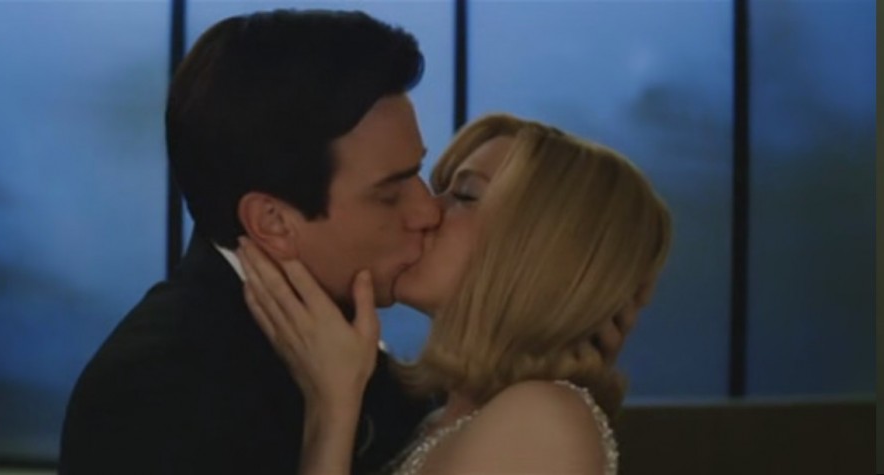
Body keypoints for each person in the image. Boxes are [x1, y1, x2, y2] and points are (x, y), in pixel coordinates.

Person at [60, 10, 440, 475]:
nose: (428, 211)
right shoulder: (157, 392)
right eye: (389, 194)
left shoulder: (349, 344)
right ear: (272, 222)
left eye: (418, 173)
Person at [238, 113, 673, 475]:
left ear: (539, 251)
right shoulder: (439, 415)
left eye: (465, 195)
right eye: (441, 188)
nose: (427, 210)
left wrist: (331, 410)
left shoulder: (542, 417)